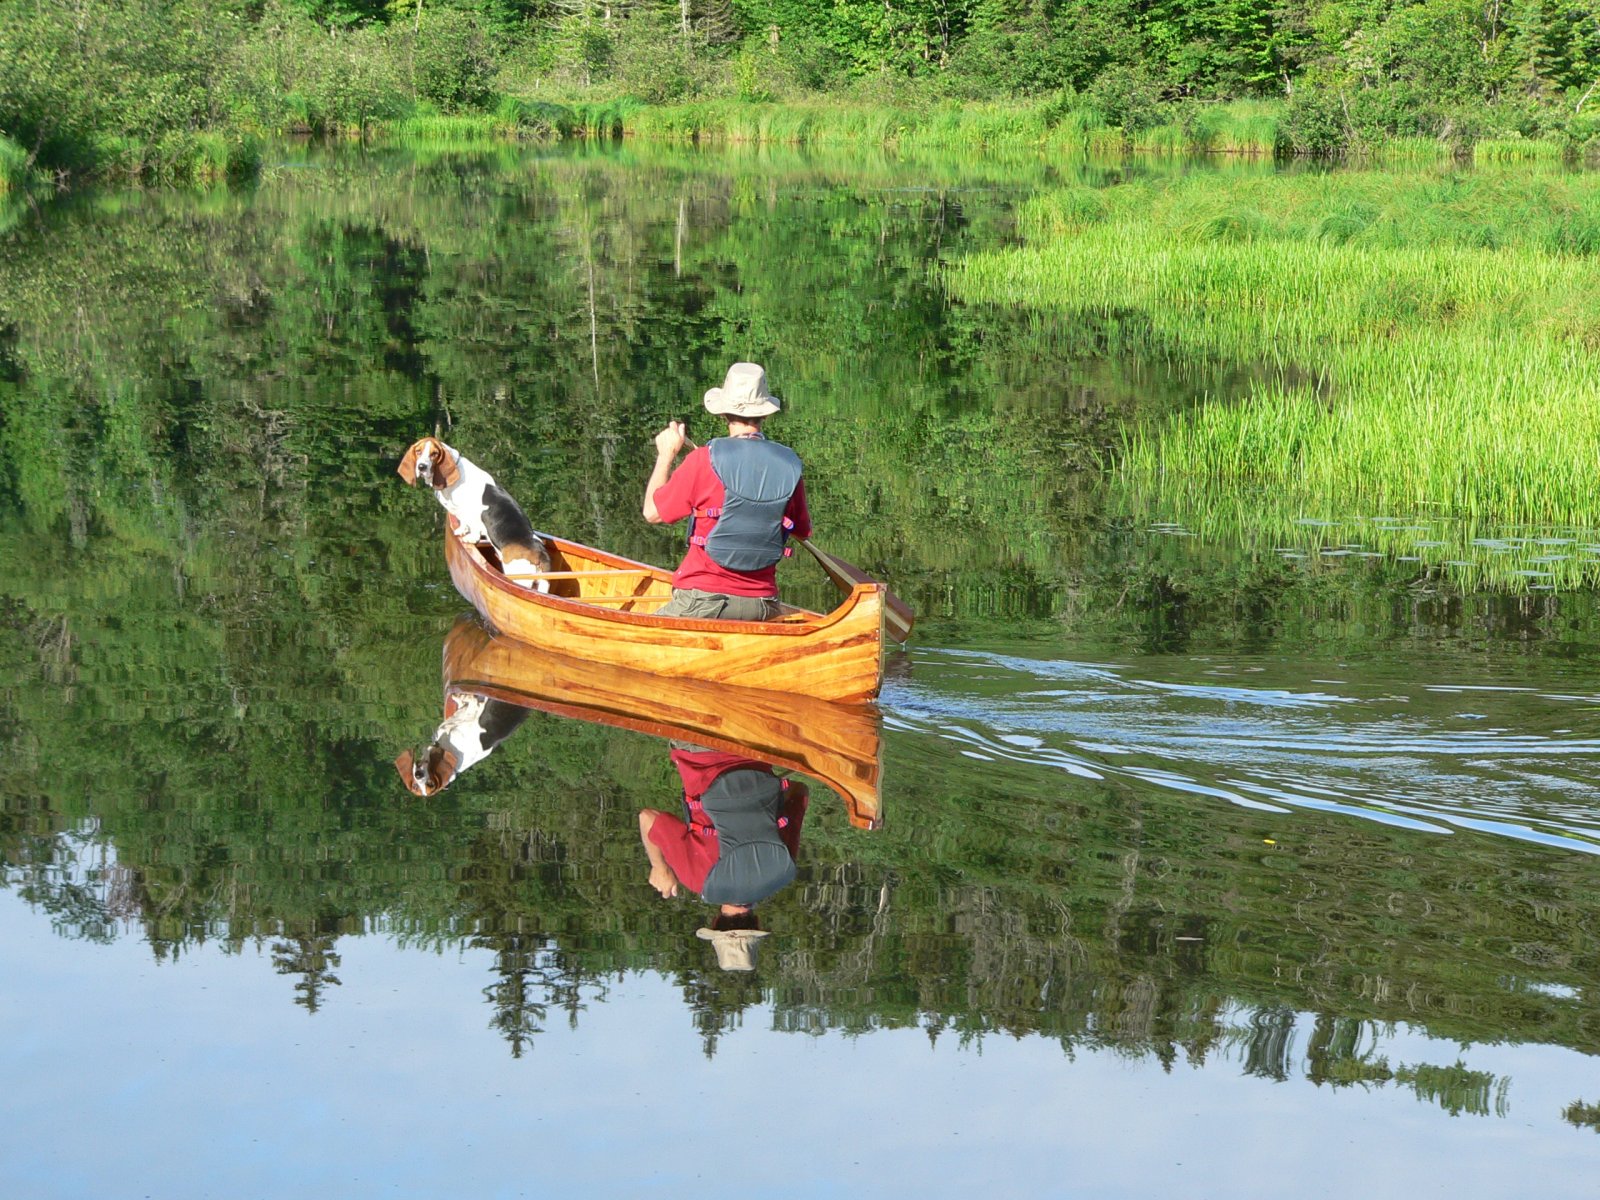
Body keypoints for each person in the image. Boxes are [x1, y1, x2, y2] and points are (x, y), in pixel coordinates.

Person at [643, 362, 811, 620]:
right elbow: (801, 531)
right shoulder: (789, 464)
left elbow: (652, 513)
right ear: (764, 415)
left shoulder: (703, 460)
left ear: (723, 414)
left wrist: (665, 455)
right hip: (763, 605)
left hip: (702, 601)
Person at [637, 745, 810, 971]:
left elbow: (800, 790)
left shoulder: (781, 871)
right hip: (695, 747)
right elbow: (647, 817)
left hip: (758, 745)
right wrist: (659, 866)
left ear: (757, 922)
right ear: (715, 922)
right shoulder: (696, 879)